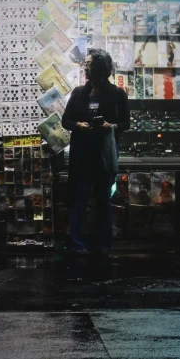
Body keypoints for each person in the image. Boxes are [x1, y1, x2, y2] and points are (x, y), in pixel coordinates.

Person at [61, 49, 129, 255]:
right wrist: (79, 125)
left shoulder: (117, 94)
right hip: (81, 154)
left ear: (100, 68)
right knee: (79, 198)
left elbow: (126, 122)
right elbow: (66, 120)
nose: (85, 67)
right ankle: (78, 244)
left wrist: (111, 126)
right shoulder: (78, 93)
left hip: (104, 154)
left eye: (89, 64)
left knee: (102, 199)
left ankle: (102, 244)